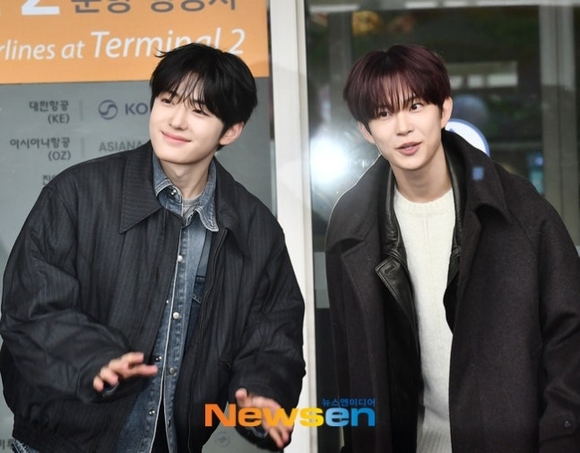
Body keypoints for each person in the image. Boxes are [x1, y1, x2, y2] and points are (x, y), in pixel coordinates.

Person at [0, 43, 305, 453]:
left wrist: (263, 392)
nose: (176, 120)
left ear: (230, 130)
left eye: (200, 111)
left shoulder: (256, 229)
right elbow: (31, 309)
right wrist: (92, 359)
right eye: (168, 100)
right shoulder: (76, 194)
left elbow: (272, 336)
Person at [325, 44, 580, 453]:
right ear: (366, 131)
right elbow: (351, 364)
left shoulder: (521, 212)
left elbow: (570, 340)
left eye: (415, 106)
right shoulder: (351, 226)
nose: (403, 127)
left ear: (444, 110)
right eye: (384, 114)